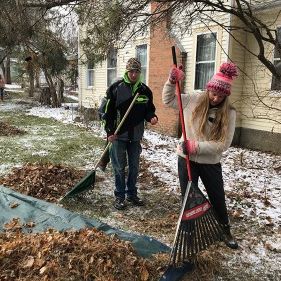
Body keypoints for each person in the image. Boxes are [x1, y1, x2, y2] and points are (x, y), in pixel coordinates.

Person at [162, 62, 239, 249]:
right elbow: (169, 100)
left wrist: (195, 146)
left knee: (217, 196)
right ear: (209, 88)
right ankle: (188, 231)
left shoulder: (229, 112)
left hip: (209, 162)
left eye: (221, 96)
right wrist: (172, 81)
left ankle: (224, 229)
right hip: (186, 159)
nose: (216, 98)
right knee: (188, 196)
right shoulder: (194, 99)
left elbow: (223, 144)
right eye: (214, 93)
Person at [104, 58, 158, 210]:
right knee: (119, 167)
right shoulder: (116, 89)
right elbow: (107, 113)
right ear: (127, 72)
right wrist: (109, 131)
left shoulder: (145, 91)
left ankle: (131, 194)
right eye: (131, 71)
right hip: (118, 136)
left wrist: (152, 117)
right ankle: (120, 196)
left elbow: (149, 109)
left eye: (136, 71)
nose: (134, 74)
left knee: (134, 167)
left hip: (135, 136)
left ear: (140, 72)